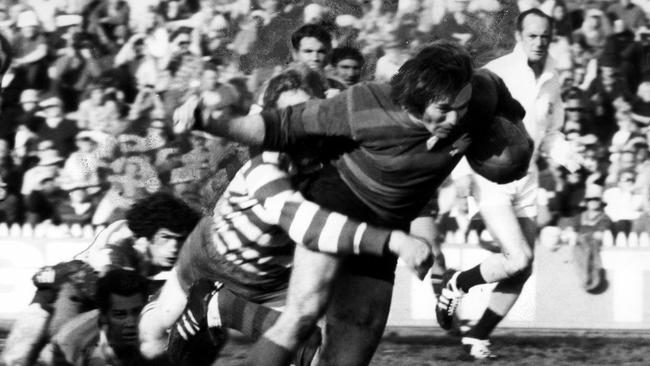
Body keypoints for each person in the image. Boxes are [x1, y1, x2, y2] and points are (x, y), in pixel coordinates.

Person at [173, 40, 531, 366]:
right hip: (337, 207)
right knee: (301, 316)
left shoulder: (481, 93)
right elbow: (275, 127)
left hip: (388, 225)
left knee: (348, 358)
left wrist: (516, 142)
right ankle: (219, 308)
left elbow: (504, 101)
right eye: (445, 109)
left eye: (463, 107)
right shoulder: (366, 102)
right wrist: (211, 121)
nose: (455, 120)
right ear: (419, 95)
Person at [140, 67, 434, 366]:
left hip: (274, 281)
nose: (301, 129)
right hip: (213, 262)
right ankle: (204, 309)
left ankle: (218, 308)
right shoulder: (265, 168)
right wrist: (392, 241)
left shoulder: (332, 156)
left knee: (316, 350)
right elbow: (307, 225)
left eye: (306, 113)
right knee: (152, 337)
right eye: (290, 116)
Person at [436, 9, 575, 359]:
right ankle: (458, 283)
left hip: (527, 178)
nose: (539, 42)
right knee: (517, 257)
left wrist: (570, 157)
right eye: (532, 35)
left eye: (545, 36)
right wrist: (463, 176)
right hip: (490, 179)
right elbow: (463, 126)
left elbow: (551, 131)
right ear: (519, 36)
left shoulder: (555, 75)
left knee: (523, 268)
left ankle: (477, 335)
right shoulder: (496, 73)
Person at [1, 192, 200, 366]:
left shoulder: (168, 254)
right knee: (45, 352)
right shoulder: (118, 249)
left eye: (179, 239)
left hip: (94, 293)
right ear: (144, 238)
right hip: (70, 292)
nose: (174, 248)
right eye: (165, 238)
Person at [50, 269, 166, 366]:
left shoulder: (163, 330)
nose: (131, 322)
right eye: (120, 314)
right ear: (104, 317)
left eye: (137, 312)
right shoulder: (71, 342)